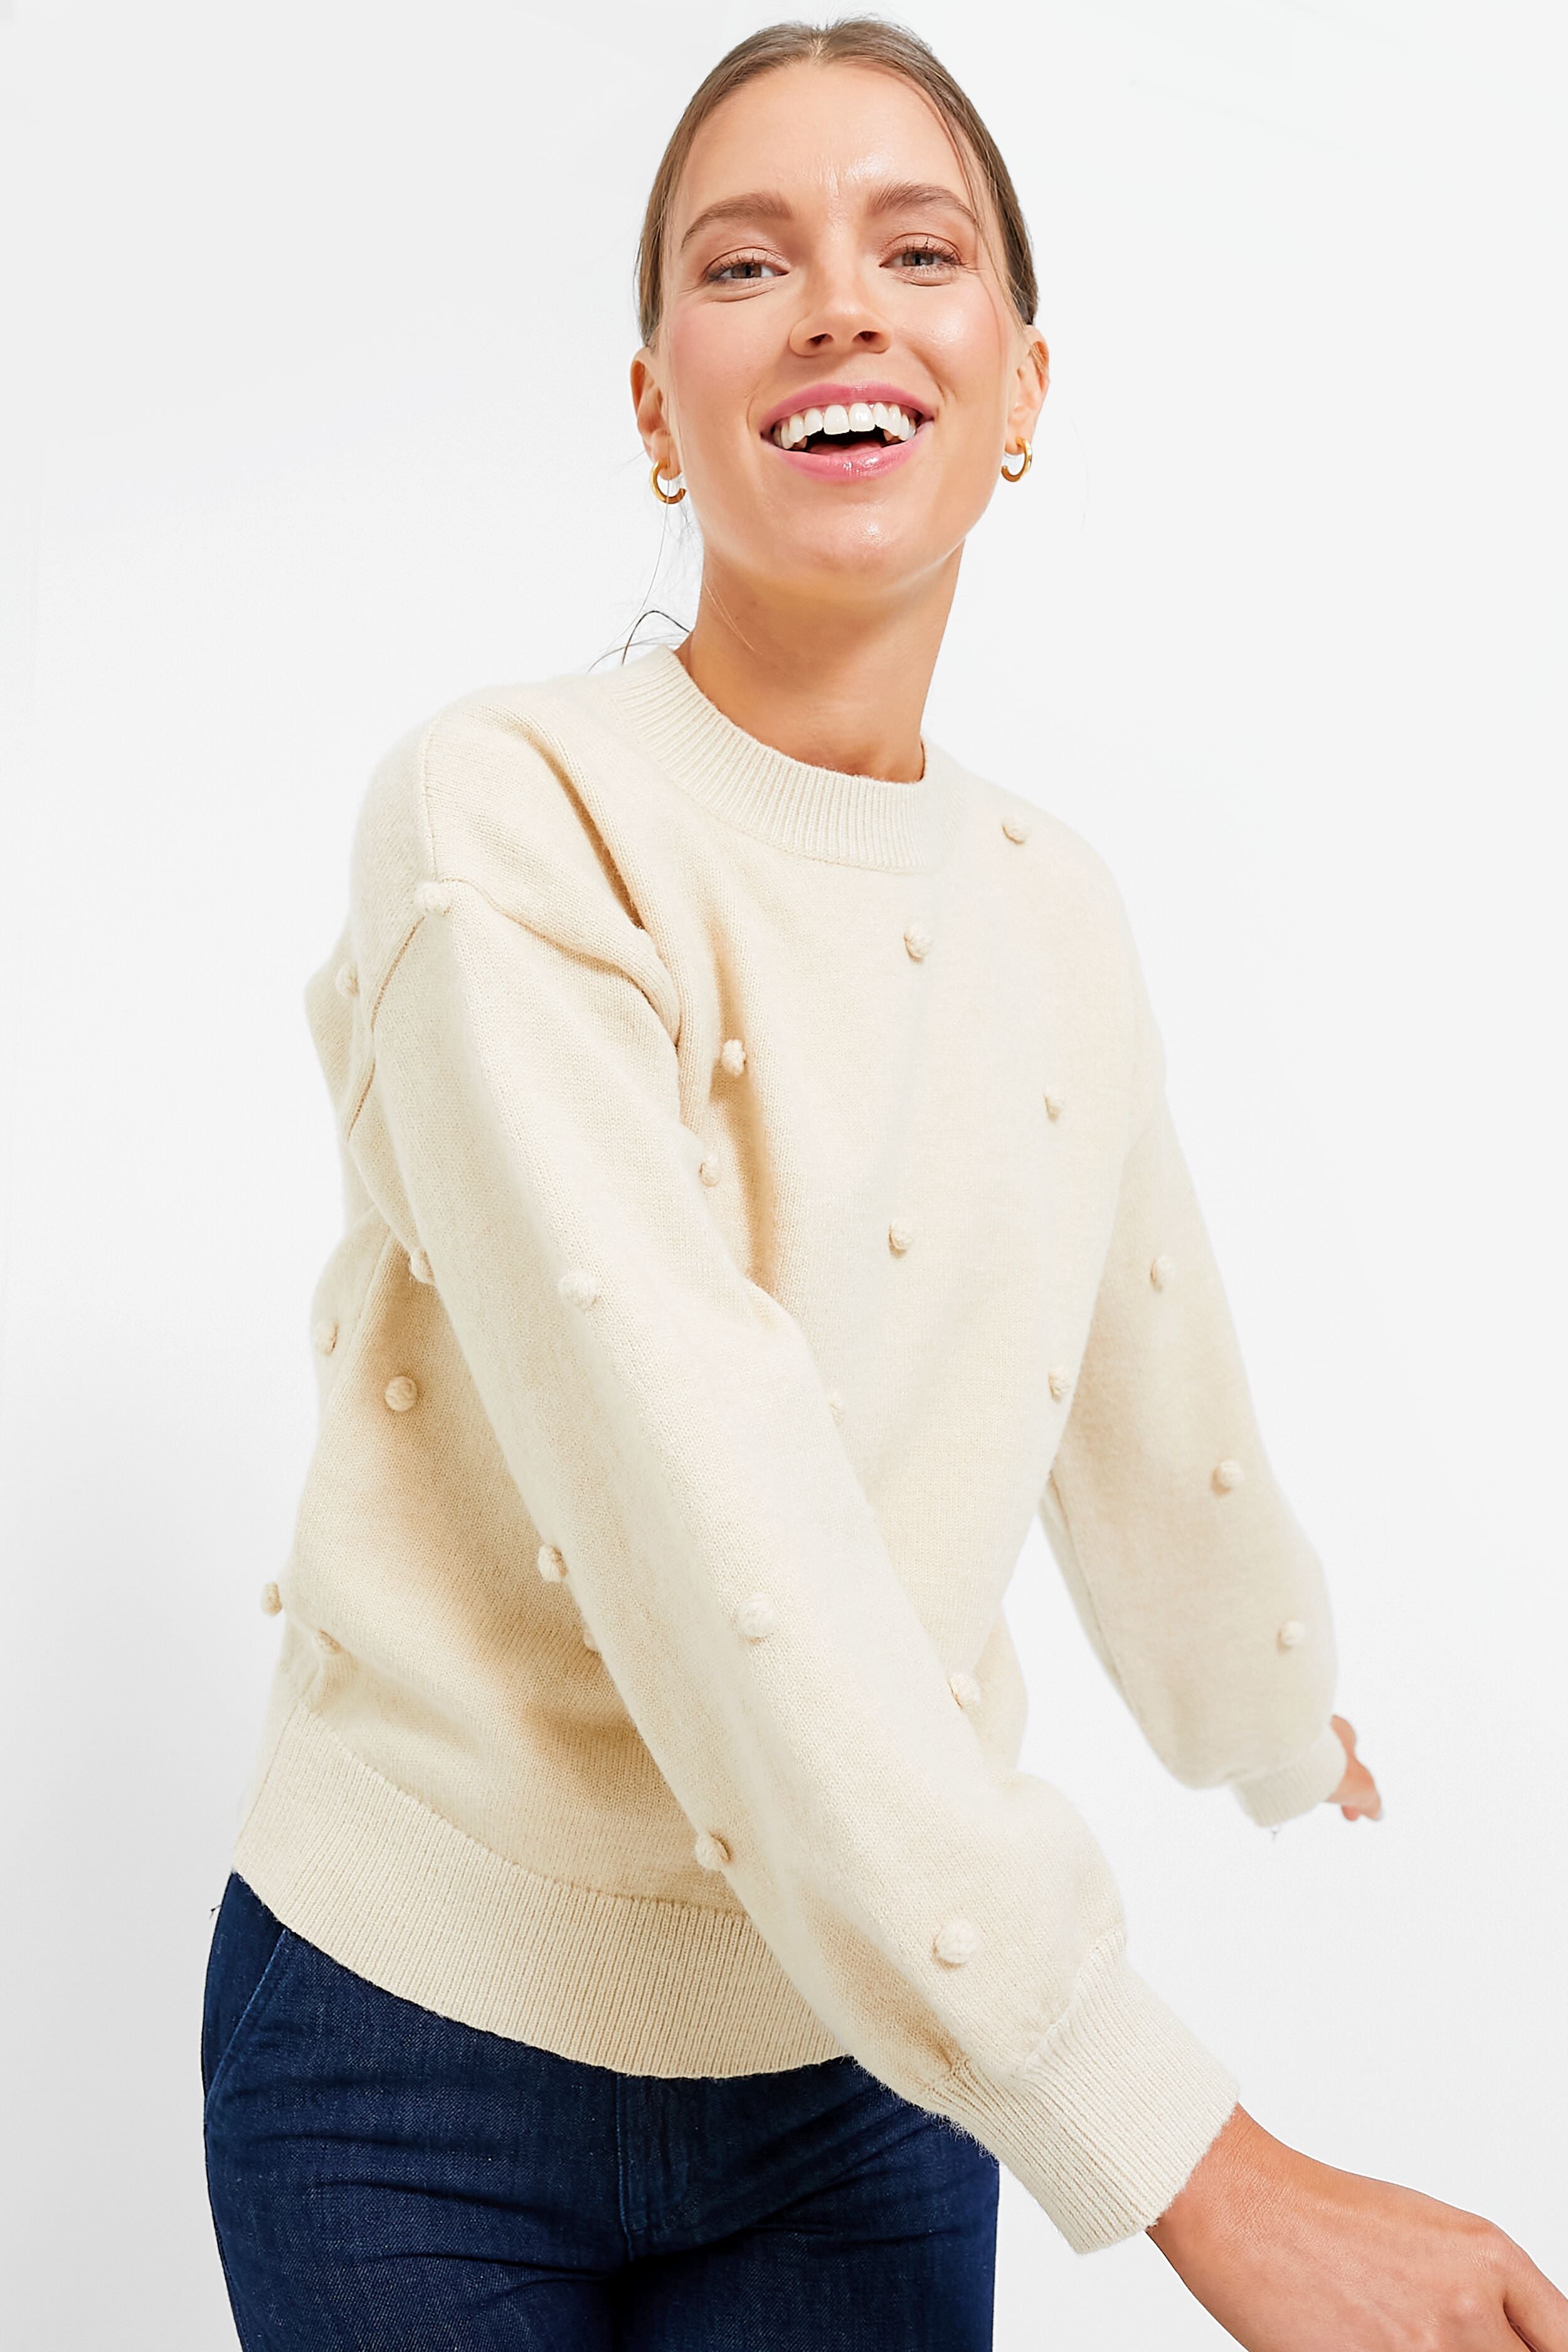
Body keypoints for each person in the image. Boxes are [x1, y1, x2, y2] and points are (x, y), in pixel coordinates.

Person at [200, 19, 1566, 2352]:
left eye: (915, 251)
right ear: (656, 405)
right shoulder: (501, 812)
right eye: (745, 264)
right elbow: (697, 1483)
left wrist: (1262, 1699)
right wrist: (1199, 2170)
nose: (838, 304)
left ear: (1020, 382)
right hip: (412, 2044)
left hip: (862, 2052)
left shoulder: (1055, 903)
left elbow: (1139, 1366)